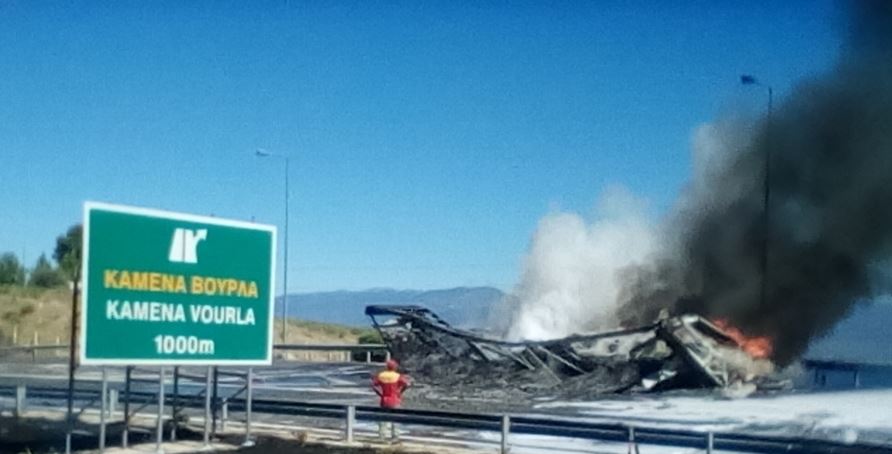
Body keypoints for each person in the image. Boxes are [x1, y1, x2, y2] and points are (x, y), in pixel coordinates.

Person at [371, 359, 411, 440]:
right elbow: (407, 384)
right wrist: (400, 392)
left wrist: (379, 394)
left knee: (383, 419)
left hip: (384, 399)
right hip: (395, 399)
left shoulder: (381, 375)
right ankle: (395, 436)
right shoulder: (397, 376)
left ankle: (382, 436)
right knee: (395, 419)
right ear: (395, 367)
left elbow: (373, 385)